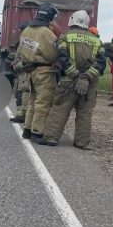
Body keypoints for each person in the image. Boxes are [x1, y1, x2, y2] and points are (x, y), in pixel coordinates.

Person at [42, 10, 106, 149]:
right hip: (89, 84)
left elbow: (62, 58)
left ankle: (51, 138)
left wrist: (76, 75)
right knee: (85, 113)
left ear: (72, 21)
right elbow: (101, 64)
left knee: (60, 108)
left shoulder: (65, 37)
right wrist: (86, 76)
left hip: (68, 82)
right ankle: (81, 142)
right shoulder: (97, 40)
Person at [17, 4, 61, 143]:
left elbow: (22, 51)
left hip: (31, 71)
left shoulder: (27, 30)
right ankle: (38, 132)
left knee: (32, 102)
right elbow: (53, 54)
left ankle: (27, 130)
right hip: (45, 72)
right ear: (49, 17)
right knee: (43, 103)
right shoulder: (46, 33)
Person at [9, 21, 32, 123]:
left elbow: (27, 59)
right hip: (21, 74)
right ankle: (20, 115)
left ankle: (23, 116)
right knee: (19, 94)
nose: (20, 33)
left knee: (23, 95)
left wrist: (17, 65)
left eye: (21, 30)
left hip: (25, 73)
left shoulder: (28, 43)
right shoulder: (23, 42)